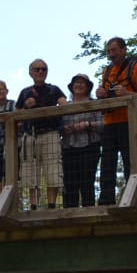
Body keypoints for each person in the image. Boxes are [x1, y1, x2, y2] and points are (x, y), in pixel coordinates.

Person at [95, 37, 137, 205]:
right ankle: (106, 200)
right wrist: (102, 95)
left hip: (130, 122)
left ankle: (134, 199)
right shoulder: (107, 71)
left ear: (123, 50)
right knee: (107, 164)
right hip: (109, 123)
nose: (111, 54)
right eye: (109, 51)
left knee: (131, 163)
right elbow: (106, 98)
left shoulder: (136, 67)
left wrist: (127, 94)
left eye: (114, 50)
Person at [16, 59, 68, 210]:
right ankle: (34, 206)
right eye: (37, 69)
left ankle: (51, 205)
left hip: (50, 133)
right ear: (30, 72)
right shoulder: (25, 92)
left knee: (53, 169)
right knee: (30, 170)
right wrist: (26, 106)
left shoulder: (54, 89)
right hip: (30, 135)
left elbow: (65, 104)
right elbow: (16, 115)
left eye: (43, 69)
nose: (40, 72)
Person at [61, 74, 103, 208]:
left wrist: (87, 124)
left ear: (88, 86)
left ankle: (89, 210)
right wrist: (63, 129)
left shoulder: (94, 103)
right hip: (68, 147)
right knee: (69, 183)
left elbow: (103, 124)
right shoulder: (64, 106)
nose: (78, 85)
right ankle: (69, 213)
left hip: (89, 146)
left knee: (87, 181)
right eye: (76, 83)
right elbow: (57, 125)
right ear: (72, 86)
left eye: (82, 83)